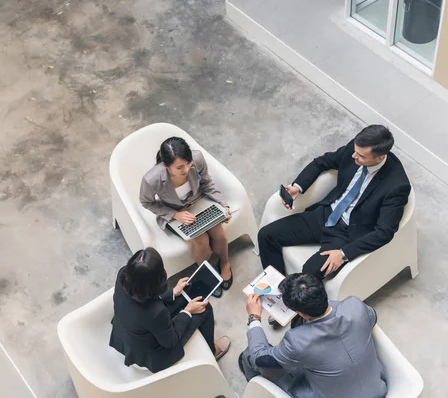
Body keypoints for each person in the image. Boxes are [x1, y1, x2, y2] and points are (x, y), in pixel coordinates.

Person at [258, 125, 411, 280]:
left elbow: (384, 232)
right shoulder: (357, 149)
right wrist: (298, 187)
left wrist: (344, 254)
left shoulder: (396, 186)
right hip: (325, 214)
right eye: (355, 151)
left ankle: (293, 298)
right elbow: (321, 162)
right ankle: (275, 285)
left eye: (361, 156)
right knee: (266, 235)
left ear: (380, 157)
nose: (354, 156)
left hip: (347, 234)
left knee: (310, 273)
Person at [239, 273, 387, 398]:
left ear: (301, 313)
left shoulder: (297, 342)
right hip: (378, 388)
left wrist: (254, 317)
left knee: (248, 356)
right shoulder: (355, 305)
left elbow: (260, 357)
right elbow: (372, 317)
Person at [109, 248, 231, 373]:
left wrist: (173, 292)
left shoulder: (122, 275)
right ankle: (212, 351)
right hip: (150, 353)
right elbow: (170, 341)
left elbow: (143, 294)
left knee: (184, 296)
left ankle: (200, 324)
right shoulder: (156, 312)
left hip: (126, 334)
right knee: (205, 309)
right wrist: (187, 312)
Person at [140, 137, 233, 296]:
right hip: (174, 213)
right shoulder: (151, 180)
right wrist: (175, 214)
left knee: (219, 233)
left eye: (188, 163)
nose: (186, 169)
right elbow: (146, 202)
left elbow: (207, 184)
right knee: (201, 240)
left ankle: (224, 263)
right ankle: (206, 274)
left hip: (199, 203)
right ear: (165, 166)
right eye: (179, 167)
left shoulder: (197, 159)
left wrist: (224, 206)